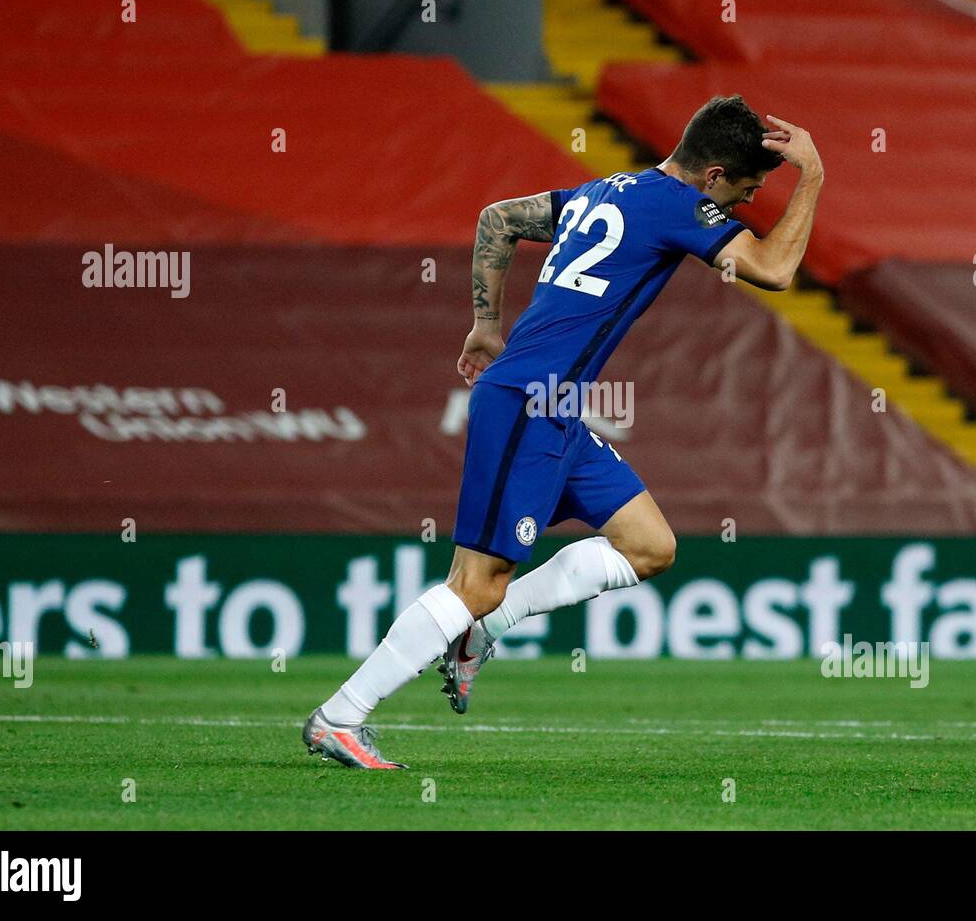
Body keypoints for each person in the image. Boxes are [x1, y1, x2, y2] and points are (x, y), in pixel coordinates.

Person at [303, 95, 823, 768]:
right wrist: (811, 177)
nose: (743, 207)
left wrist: (486, 324)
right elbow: (776, 270)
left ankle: (486, 626)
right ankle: (340, 716)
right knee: (476, 580)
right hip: (527, 401)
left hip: (556, 406)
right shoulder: (677, 205)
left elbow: (500, 219)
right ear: (714, 176)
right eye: (745, 193)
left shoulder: (607, 189)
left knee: (649, 545)